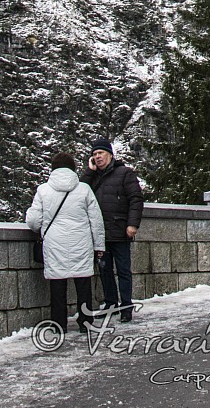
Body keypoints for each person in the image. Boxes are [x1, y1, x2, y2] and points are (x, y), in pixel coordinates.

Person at [28, 151, 106, 333]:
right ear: (73, 169)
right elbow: (96, 221)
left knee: (57, 284)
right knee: (83, 284)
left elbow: (33, 221)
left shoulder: (43, 190)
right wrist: (99, 246)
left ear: (53, 169)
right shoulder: (84, 189)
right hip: (82, 244)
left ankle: (59, 324)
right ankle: (85, 322)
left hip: (55, 244)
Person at [82, 139, 144, 319]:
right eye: (94, 155)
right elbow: (79, 192)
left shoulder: (125, 173)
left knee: (123, 270)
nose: (97, 157)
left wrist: (132, 224)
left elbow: (135, 199)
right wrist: (89, 171)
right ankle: (111, 303)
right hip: (100, 234)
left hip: (120, 230)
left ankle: (126, 307)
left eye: (100, 153)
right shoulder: (92, 177)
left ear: (110, 154)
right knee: (104, 270)